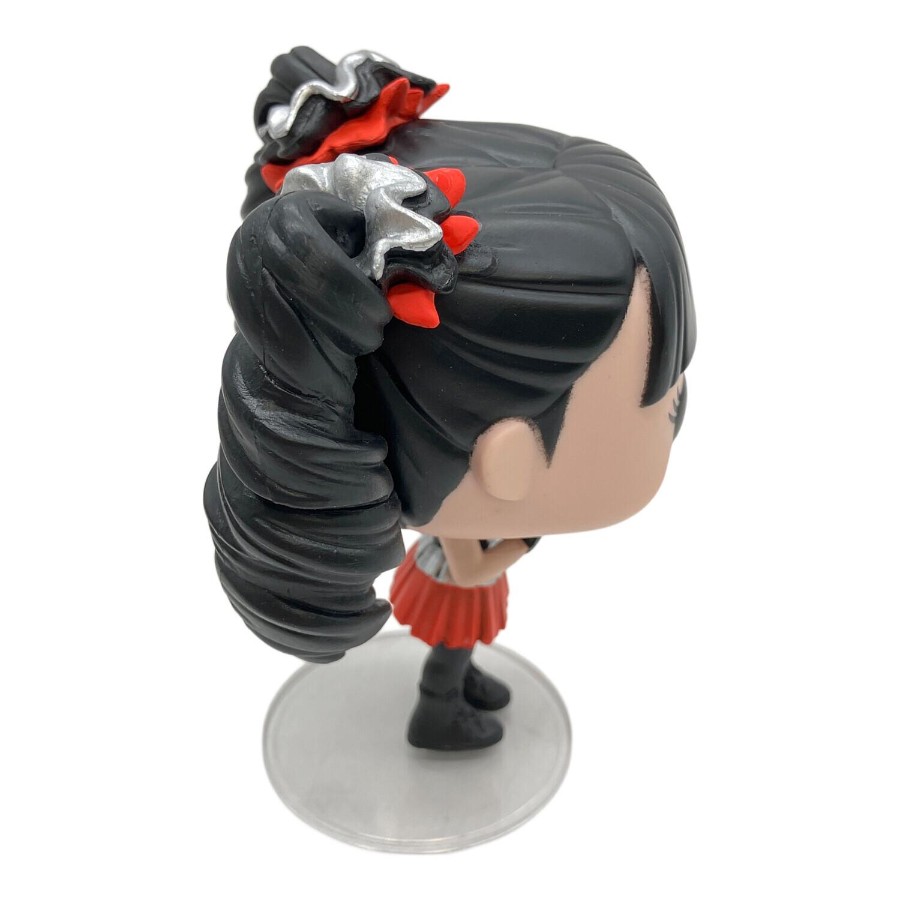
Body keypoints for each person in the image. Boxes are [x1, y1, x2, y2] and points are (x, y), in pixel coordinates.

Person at [204, 47, 695, 751]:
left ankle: (455, 689)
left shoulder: (467, 498)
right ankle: (439, 712)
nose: (679, 403)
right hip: (455, 587)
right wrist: (517, 543)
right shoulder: (466, 539)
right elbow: (470, 567)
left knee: (459, 649)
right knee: (452, 645)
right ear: (510, 460)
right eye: (665, 397)